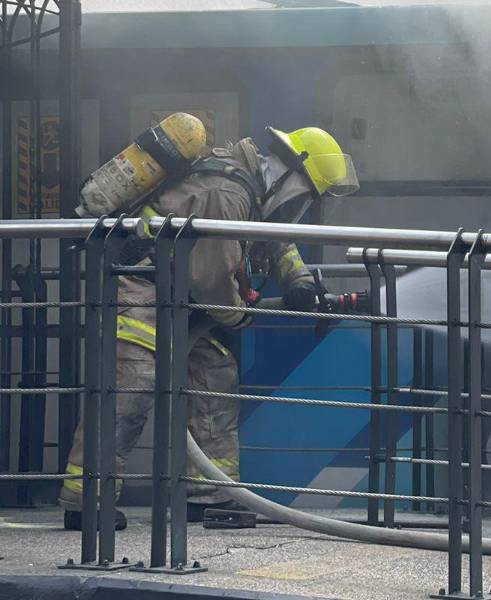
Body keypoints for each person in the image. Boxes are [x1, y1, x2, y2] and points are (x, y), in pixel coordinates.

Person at [60, 126, 359, 530]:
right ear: (292, 177)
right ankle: (85, 503)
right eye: (305, 195)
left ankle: (209, 497)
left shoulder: (251, 189)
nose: (302, 205)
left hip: (182, 299)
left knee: (213, 378)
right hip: (141, 289)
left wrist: (300, 282)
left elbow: (272, 237)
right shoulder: (227, 192)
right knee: (129, 389)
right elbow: (212, 278)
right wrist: (238, 315)